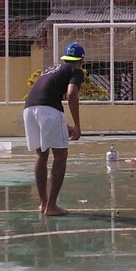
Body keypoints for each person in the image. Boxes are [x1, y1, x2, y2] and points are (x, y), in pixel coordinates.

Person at [23, 42, 84, 216]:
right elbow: (72, 94)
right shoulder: (76, 71)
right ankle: (51, 206)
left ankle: (43, 203)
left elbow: (45, 98)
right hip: (48, 110)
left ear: (64, 58)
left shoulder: (50, 69)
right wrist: (77, 126)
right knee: (60, 155)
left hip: (29, 108)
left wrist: (65, 126)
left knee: (41, 154)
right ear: (81, 61)